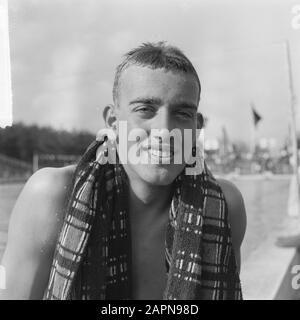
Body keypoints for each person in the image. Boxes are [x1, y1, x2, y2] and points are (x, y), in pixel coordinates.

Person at [0, 42, 247, 300]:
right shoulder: (52, 195)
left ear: (197, 127)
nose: (164, 130)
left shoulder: (222, 206)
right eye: (145, 110)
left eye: (182, 113)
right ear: (113, 122)